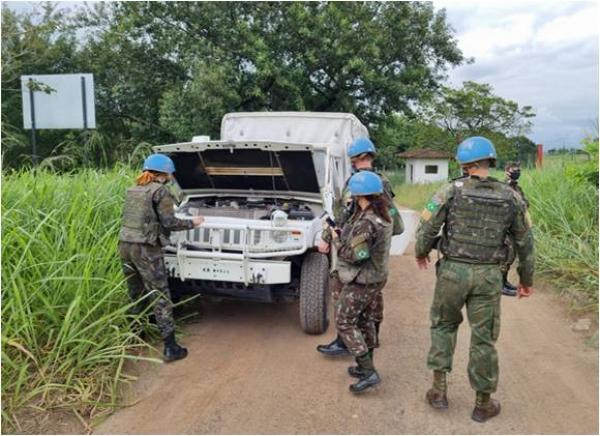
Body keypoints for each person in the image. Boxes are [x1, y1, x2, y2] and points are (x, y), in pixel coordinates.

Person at [415, 137, 535, 422]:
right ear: (490, 162)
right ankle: (483, 404)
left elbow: (427, 226)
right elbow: (526, 242)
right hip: (488, 276)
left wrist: (421, 253)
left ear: (464, 163)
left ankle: (439, 391)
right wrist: (526, 280)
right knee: (483, 338)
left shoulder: (450, 191)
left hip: (452, 273)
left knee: (443, 326)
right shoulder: (511, 196)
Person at [317, 136, 403, 356]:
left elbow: (342, 215)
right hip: (366, 246)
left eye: (354, 159)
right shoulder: (378, 180)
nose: (355, 163)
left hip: (358, 247)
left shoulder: (364, 182)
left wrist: (330, 237)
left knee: (348, 290)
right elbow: (389, 217)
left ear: (356, 158)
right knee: (371, 293)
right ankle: (366, 341)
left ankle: (350, 341)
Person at [119, 153, 204, 362]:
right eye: (170, 172)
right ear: (165, 173)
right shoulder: (160, 191)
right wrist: (193, 222)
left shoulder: (134, 189)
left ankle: (136, 337)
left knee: (135, 292)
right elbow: (170, 223)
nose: (171, 175)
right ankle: (170, 347)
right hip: (146, 249)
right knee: (160, 294)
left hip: (124, 245)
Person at [330, 171, 393, 393]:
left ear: (358, 196)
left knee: (344, 321)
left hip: (363, 280)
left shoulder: (366, 222)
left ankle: (368, 372)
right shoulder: (382, 215)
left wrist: (337, 242)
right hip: (377, 278)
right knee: (365, 320)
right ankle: (364, 365)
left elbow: (359, 255)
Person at [502, 161, 529, 297]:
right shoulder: (503, 186)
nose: (516, 172)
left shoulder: (518, 187)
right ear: (506, 171)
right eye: (513, 170)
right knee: (506, 255)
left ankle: (504, 281)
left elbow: (525, 203)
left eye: (518, 170)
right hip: (505, 227)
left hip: (516, 226)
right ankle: (500, 284)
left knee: (511, 256)